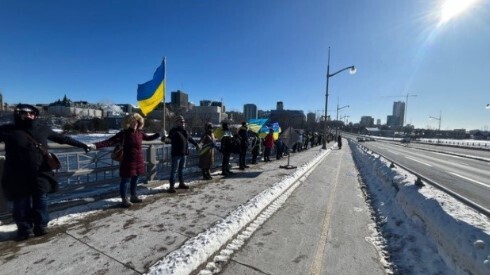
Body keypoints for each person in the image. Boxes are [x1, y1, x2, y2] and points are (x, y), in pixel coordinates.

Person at [0, 104, 93, 241]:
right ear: (17, 114)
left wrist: (83, 145)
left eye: (31, 113)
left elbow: (63, 139)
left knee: (41, 199)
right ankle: (25, 229)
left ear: (35, 115)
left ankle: (41, 226)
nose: (28, 116)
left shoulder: (42, 129)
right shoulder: (8, 129)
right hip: (17, 174)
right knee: (21, 202)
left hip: (40, 171)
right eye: (24, 113)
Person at [94, 113, 160, 207]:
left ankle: (133, 196)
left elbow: (148, 138)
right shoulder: (124, 133)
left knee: (135, 179)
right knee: (125, 180)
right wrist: (96, 145)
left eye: (136, 122)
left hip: (138, 160)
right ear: (128, 123)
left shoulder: (139, 133)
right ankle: (124, 199)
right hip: (127, 161)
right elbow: (110, 141)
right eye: (132, 122)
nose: (135, 124)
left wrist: (159, 134)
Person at [163, 115, 199, 193]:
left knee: (181, 170)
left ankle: (181, 183)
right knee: (174, 170)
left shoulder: (185, 131)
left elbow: (190, 139)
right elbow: (168, 140)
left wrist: (196, 144)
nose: (183, 123)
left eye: (183, 122)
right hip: (176, 154)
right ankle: (171, 186)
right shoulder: (174, 130)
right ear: (177, 122)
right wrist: (164, 139)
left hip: (184, 154)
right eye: (181, 121)